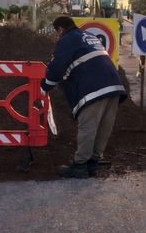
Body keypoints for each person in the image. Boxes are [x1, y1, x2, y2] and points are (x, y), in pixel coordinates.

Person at [41, 15, 127, 178]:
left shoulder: (67, 40)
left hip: (93, 89)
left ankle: (80, 166)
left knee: (88, 126)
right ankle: (93, 164)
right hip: (114, 86)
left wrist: (45, 86)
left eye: (56, 32)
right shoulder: (90, 37)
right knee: (104, 127)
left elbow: (57, 68)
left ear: (60, 29)